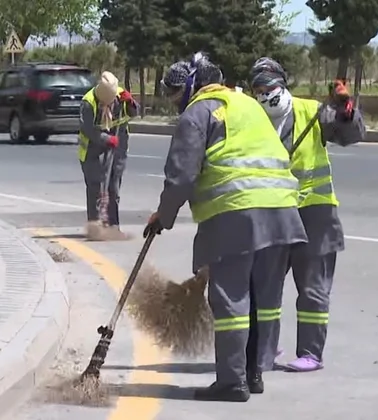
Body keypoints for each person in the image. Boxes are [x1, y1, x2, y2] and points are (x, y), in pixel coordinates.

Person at [143, 52, 308, 402]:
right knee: (262, 298)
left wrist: (164, 215)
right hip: (281, 213)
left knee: (230, 299)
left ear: (192, 86)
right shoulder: (246, 104)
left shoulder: (198, 112)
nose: (175, 103)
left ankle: (232, 382)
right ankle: (254, 373)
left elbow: (181, 176)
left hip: (237, 214)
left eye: (175, 95)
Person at [247, 57, 366, 373]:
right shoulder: (252, 118)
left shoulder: (312, 112)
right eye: (257, 89)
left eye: (268, 87)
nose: (263, 94)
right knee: (265, 287)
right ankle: (264, 351)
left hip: (315, 214)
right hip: (272, 214)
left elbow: (350, 134)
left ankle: (311, 353)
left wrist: (345, 109)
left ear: (282, 85)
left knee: (313, 287)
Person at [78, 71, 140, 240]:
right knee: (96, 188)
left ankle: (114, 226)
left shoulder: (119, 96)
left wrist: (131, 103)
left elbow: (134, 113)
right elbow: (88, 129)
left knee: (114, 188)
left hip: (118, 148)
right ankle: (95, 227)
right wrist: (106, 138)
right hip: (92, 150)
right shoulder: (88, 102)